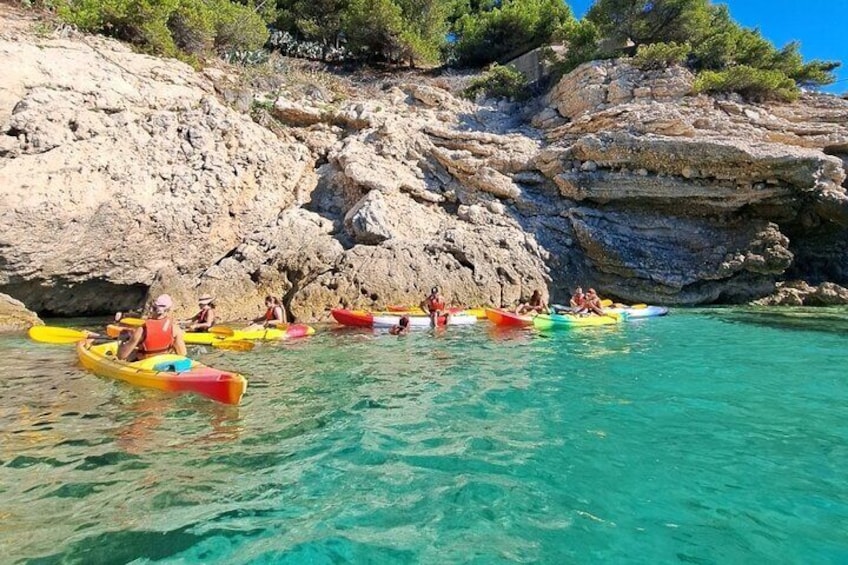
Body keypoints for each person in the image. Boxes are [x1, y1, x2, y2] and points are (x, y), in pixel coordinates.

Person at [118, 294, 187, 361]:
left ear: (152, 309)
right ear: (168, 310)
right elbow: (182, 354)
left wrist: (121, 341)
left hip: (144, 365)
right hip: (164, 362)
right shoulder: (175, 329)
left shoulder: (142, 330)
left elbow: (121, 356)